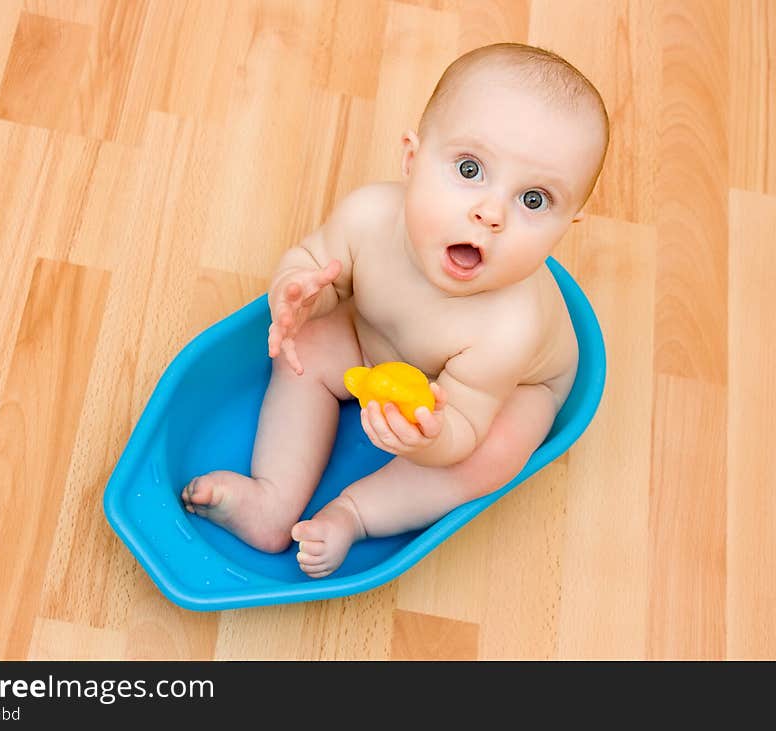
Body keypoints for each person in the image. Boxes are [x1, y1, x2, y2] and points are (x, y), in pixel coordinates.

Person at [182, 42, 609, 578]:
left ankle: (354, 514)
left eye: (534, 200)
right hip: (378, 339)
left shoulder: (510, 328)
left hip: (502, 394)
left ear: (566, 226)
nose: (490, 212)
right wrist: (297, 291)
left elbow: (461, 428)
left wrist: (430, 438)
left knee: (493, 456)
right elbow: (315, 262)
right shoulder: (367, 217)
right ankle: (271, 503)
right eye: (471, 168)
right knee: (306, 348)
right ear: (412, 158)